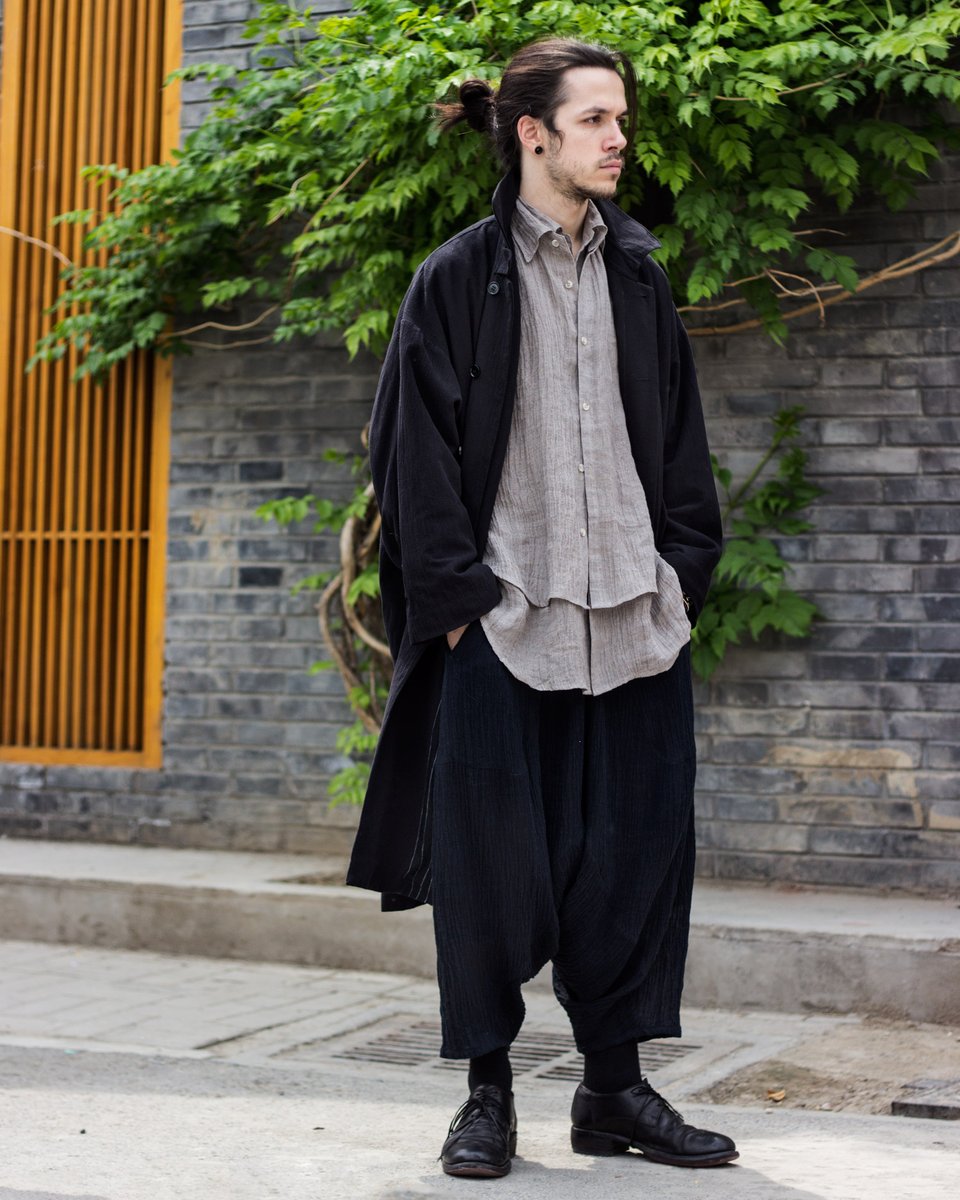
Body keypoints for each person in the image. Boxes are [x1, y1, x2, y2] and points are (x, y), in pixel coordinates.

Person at [346, 37, 736, 1178]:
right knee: (490, 869)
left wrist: (683, 577)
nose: (619, 138)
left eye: (621, 118)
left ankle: (613, 1093)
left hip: (635, 624)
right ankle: (487, 1095)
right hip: (507, 624)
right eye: (595, 118)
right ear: (533, 133)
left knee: (632, 861)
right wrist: (459, 607)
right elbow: (410, 455)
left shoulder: (640, 275)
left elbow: (681, 442)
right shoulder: (457, 277)